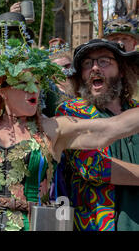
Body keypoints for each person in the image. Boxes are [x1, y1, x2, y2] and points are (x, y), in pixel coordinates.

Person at [0, 36, 139, 231]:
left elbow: (113, 127)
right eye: (23, 82)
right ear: (2, 89)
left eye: (37, 82)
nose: (33, 89)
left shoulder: (52, 128)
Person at [56, 39, 139, 231]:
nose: (94, 68)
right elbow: (94, 167)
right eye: (87, 63)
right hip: (97, 223)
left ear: (122, 69)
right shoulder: (72, 112)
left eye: (104, 61)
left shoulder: (135, 110)